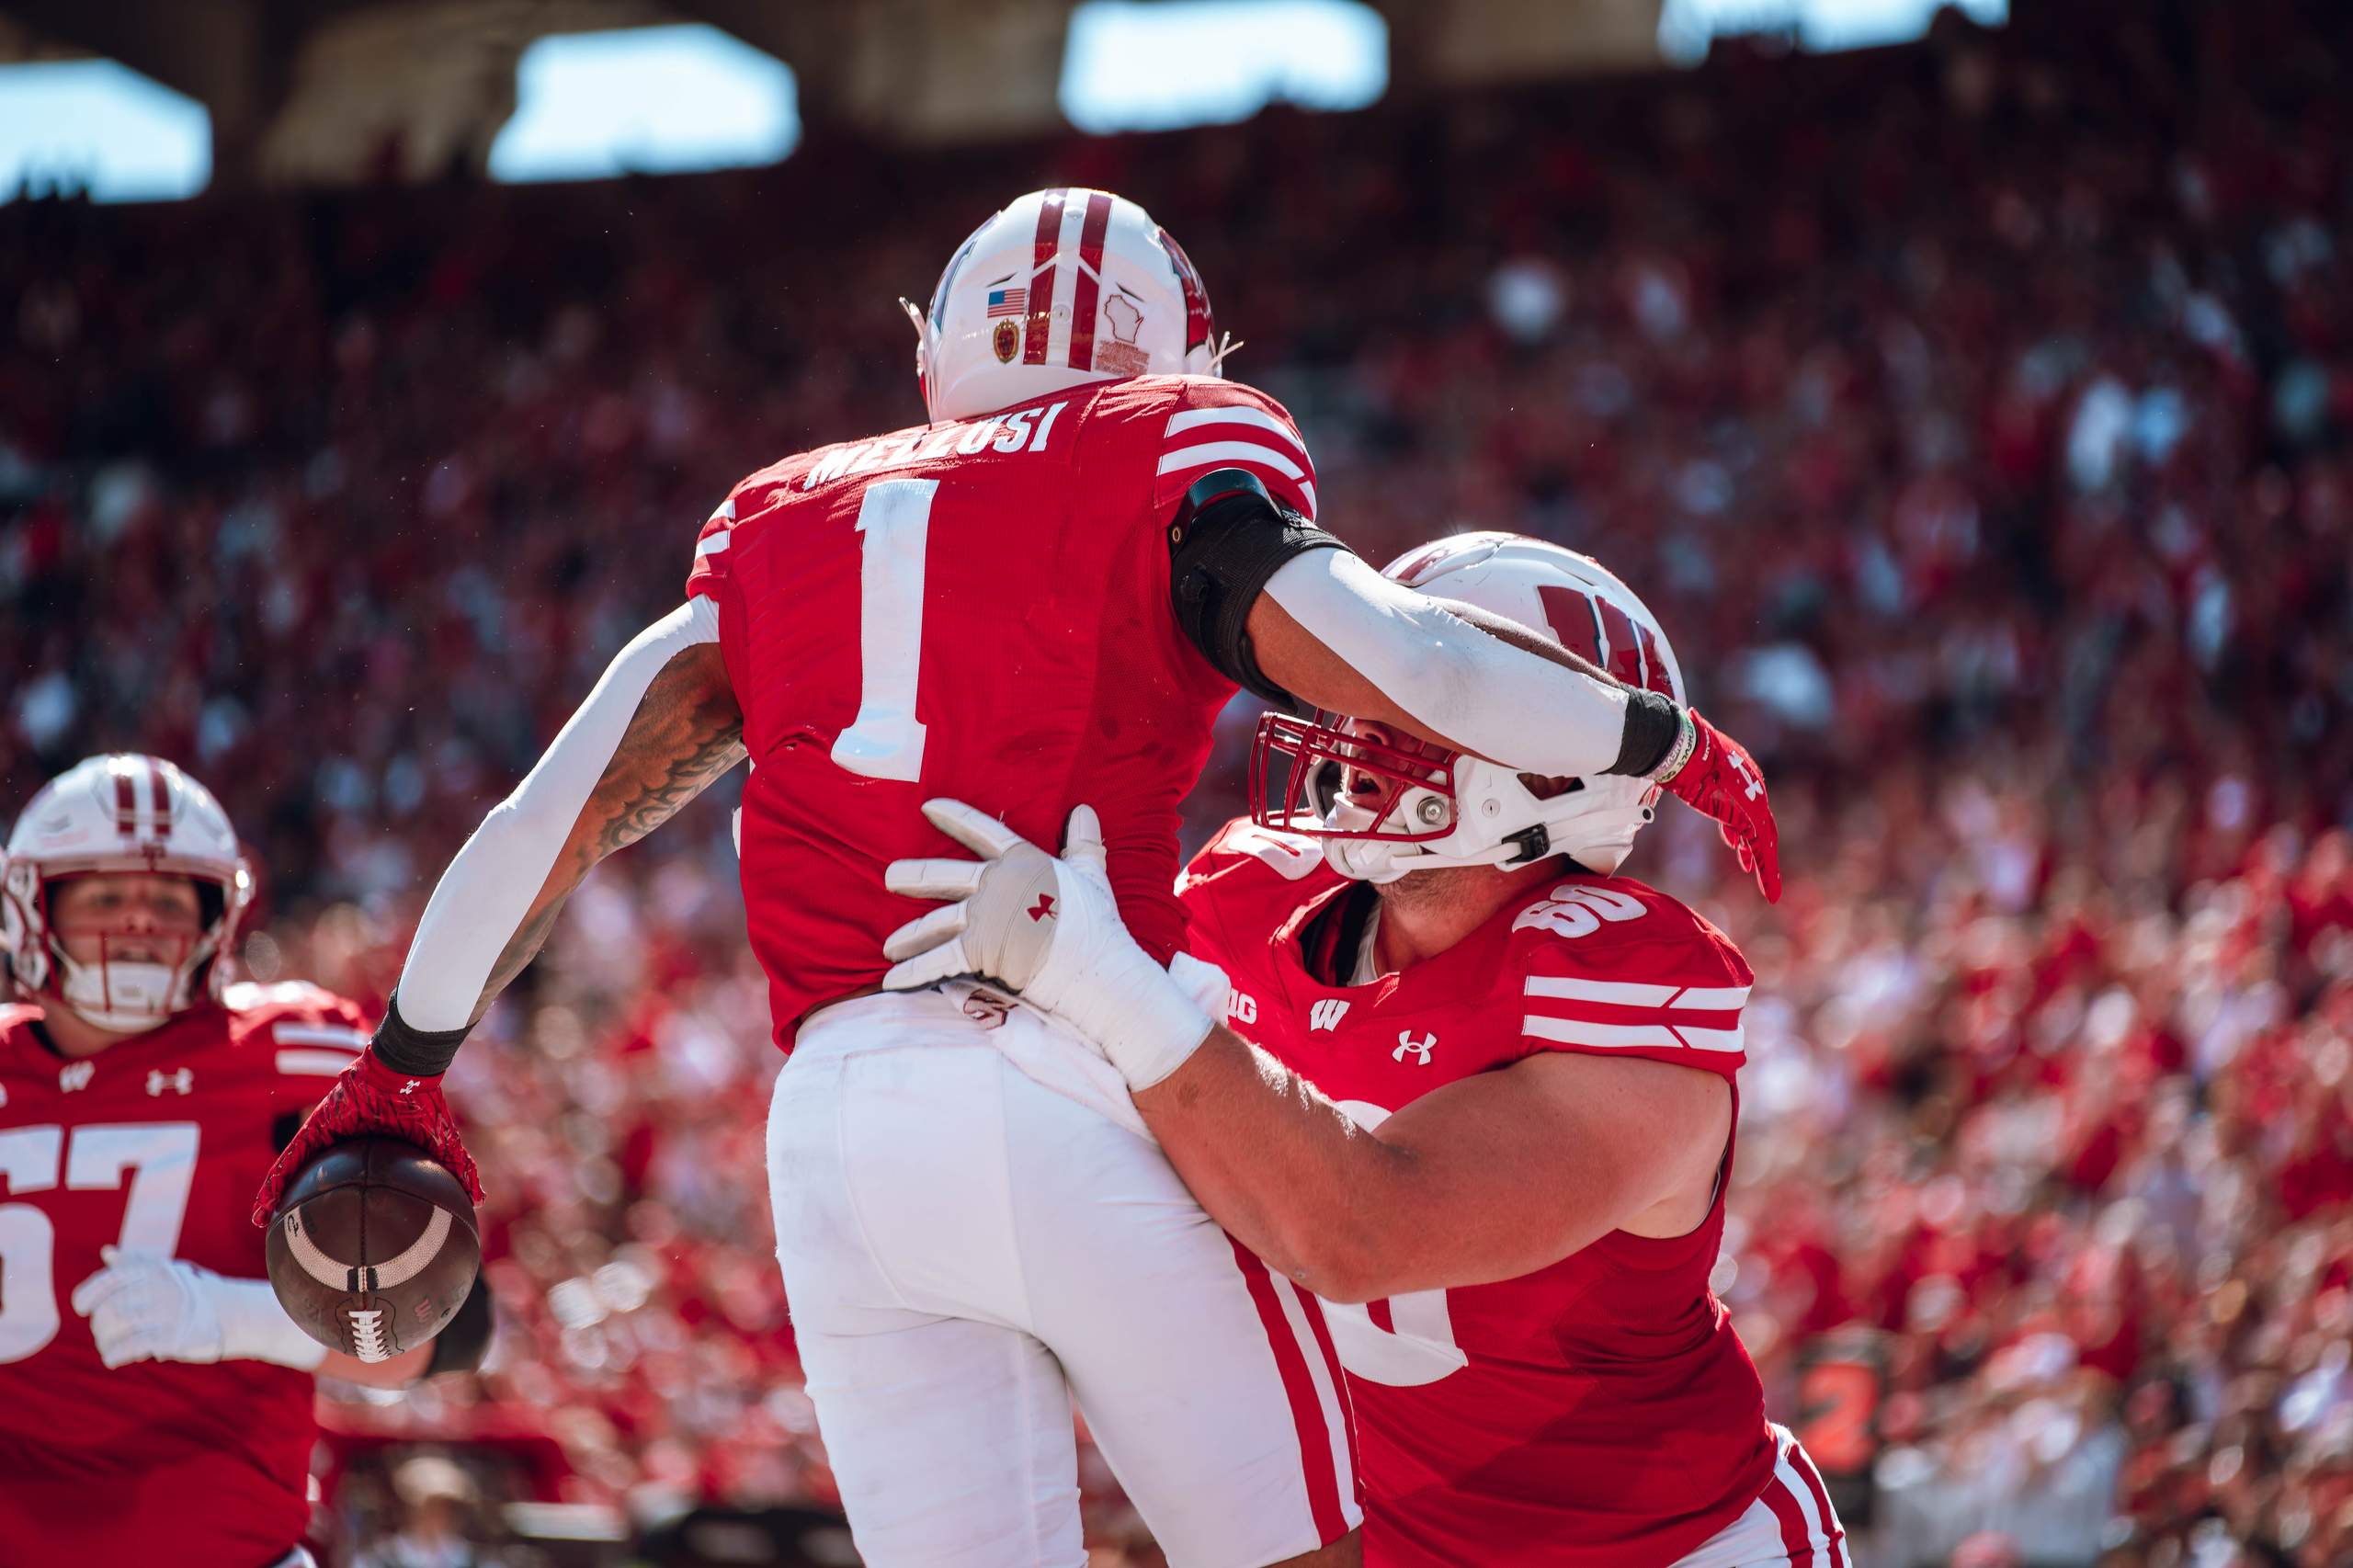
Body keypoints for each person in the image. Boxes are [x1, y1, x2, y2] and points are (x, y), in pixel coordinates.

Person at [256, 189, 1780, 1568]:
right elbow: (1407, 657)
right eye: (1362, 734)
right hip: (1051, 1055)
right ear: (1175, 355)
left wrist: (404, 1061)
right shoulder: (1249, 846)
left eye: (1405, 743)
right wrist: (1662, 737)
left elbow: (552, 815)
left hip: (840, 1133)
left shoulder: (788, 517)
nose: (1352, 746)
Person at [881, 535, 1847, 1566]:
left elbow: (1360, 1230)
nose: (1348, 721)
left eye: (1410, 692)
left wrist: (1105, 982)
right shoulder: (1255, 891)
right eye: (1352, 681)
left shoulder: (1617, 977)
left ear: (1556, 764)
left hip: (1665, 1547)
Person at [0, 755, 494, 1568]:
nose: (139, 922)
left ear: (217, 916)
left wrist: (229, 1318)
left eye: (167, 897)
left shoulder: (298, 1055)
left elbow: (454, 1326)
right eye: (106, 894)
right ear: (32, 905)